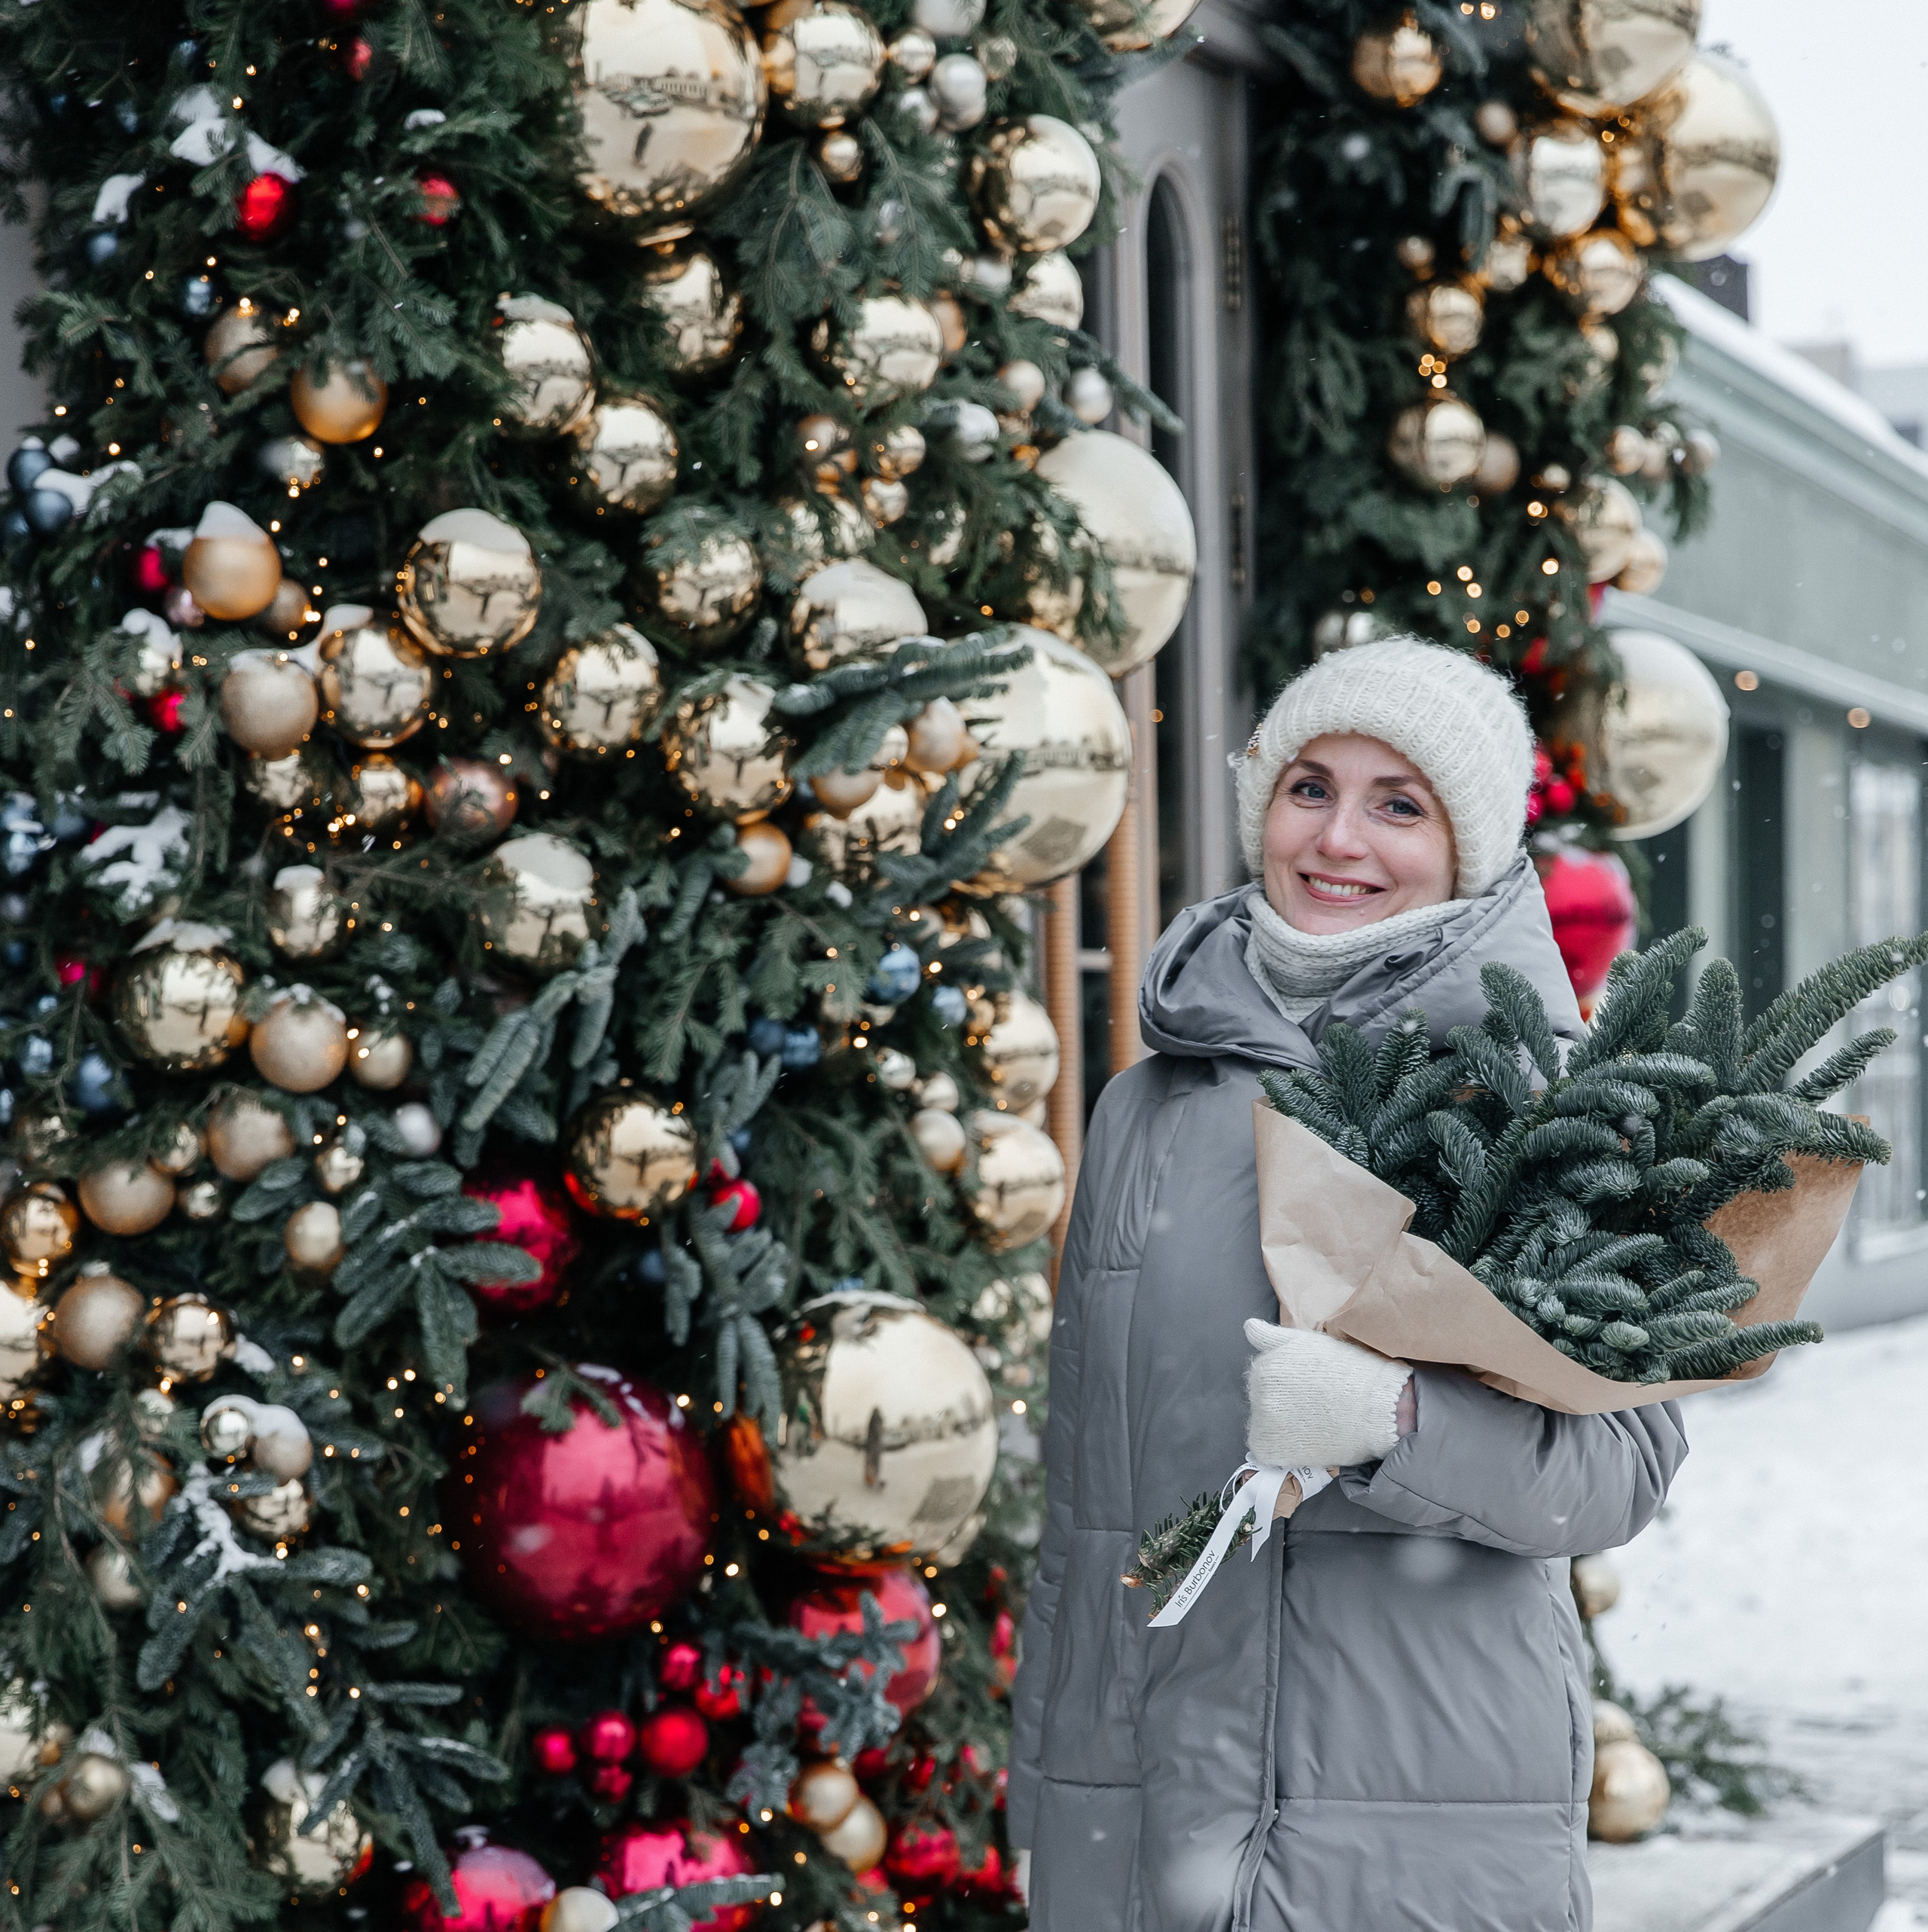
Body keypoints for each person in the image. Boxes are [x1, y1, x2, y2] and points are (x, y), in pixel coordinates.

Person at [1008, 638, 1687, 1932]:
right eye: (1310, 785)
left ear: (1470, 845)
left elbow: (1625, 1471)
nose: (1340, 838)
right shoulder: (1145, 1111)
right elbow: (1087, 1518)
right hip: (1146, 1821)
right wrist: (1053, 1806)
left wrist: (1397, 1428)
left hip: (1420, 1817)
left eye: (1400, 803)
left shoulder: (1541, 1100)